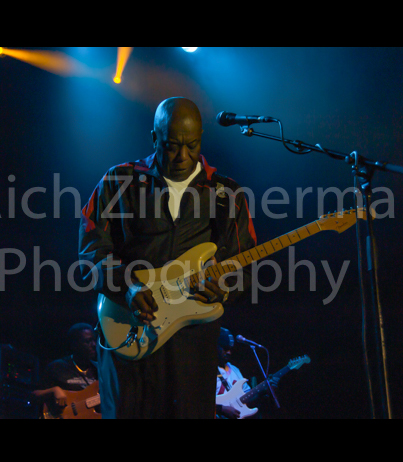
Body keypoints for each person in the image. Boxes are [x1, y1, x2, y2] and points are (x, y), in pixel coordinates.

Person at [78, 97, 257, 418]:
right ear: (154, 138)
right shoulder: (119, 181)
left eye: (191, 145)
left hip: (193, 345)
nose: (183, 156)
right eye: (172, 145)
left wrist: (225, 289)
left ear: (201, 137)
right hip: (128, 332)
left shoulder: (227, 194)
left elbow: (245, 268)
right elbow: (92, 251)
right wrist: (128, 287)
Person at [33, 323, 98, 409]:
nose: (94, 345)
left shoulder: (99, 370)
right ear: (74, 345)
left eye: (94, 340)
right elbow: (33, 395)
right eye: (87, 341)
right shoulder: (57, 367)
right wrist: (53, 390)